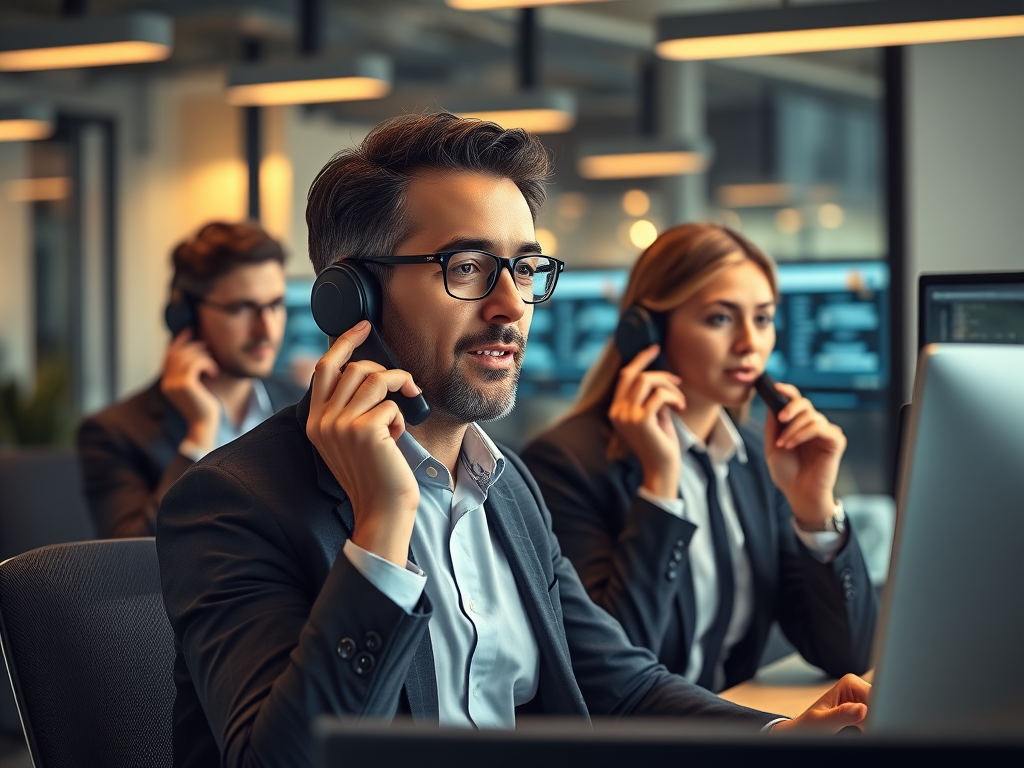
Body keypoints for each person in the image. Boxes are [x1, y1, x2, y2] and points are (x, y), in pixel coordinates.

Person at [156, 114, 871, 768]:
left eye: (524, 269)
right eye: (465, 268)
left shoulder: (507, 486)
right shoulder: (232, 501)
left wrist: (781, 736)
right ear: (351, 299)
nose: (510, 307)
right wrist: (380, 529)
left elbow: (618, 683)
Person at [521, 224, 877, 693]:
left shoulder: (755, 459)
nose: (750, 342)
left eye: (764, 318)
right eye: (720, 319)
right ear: (645, 331)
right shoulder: (564, 464)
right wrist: (660, 487)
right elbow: (608, 676)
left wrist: (814, 508)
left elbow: (847, 653)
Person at [77, 221, 305, 538]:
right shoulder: (115, 432)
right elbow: (128, 563)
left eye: (275, 306)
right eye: (242, 307)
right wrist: (199, 435)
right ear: (185, 314)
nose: (266, 330)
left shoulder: (303, 405)